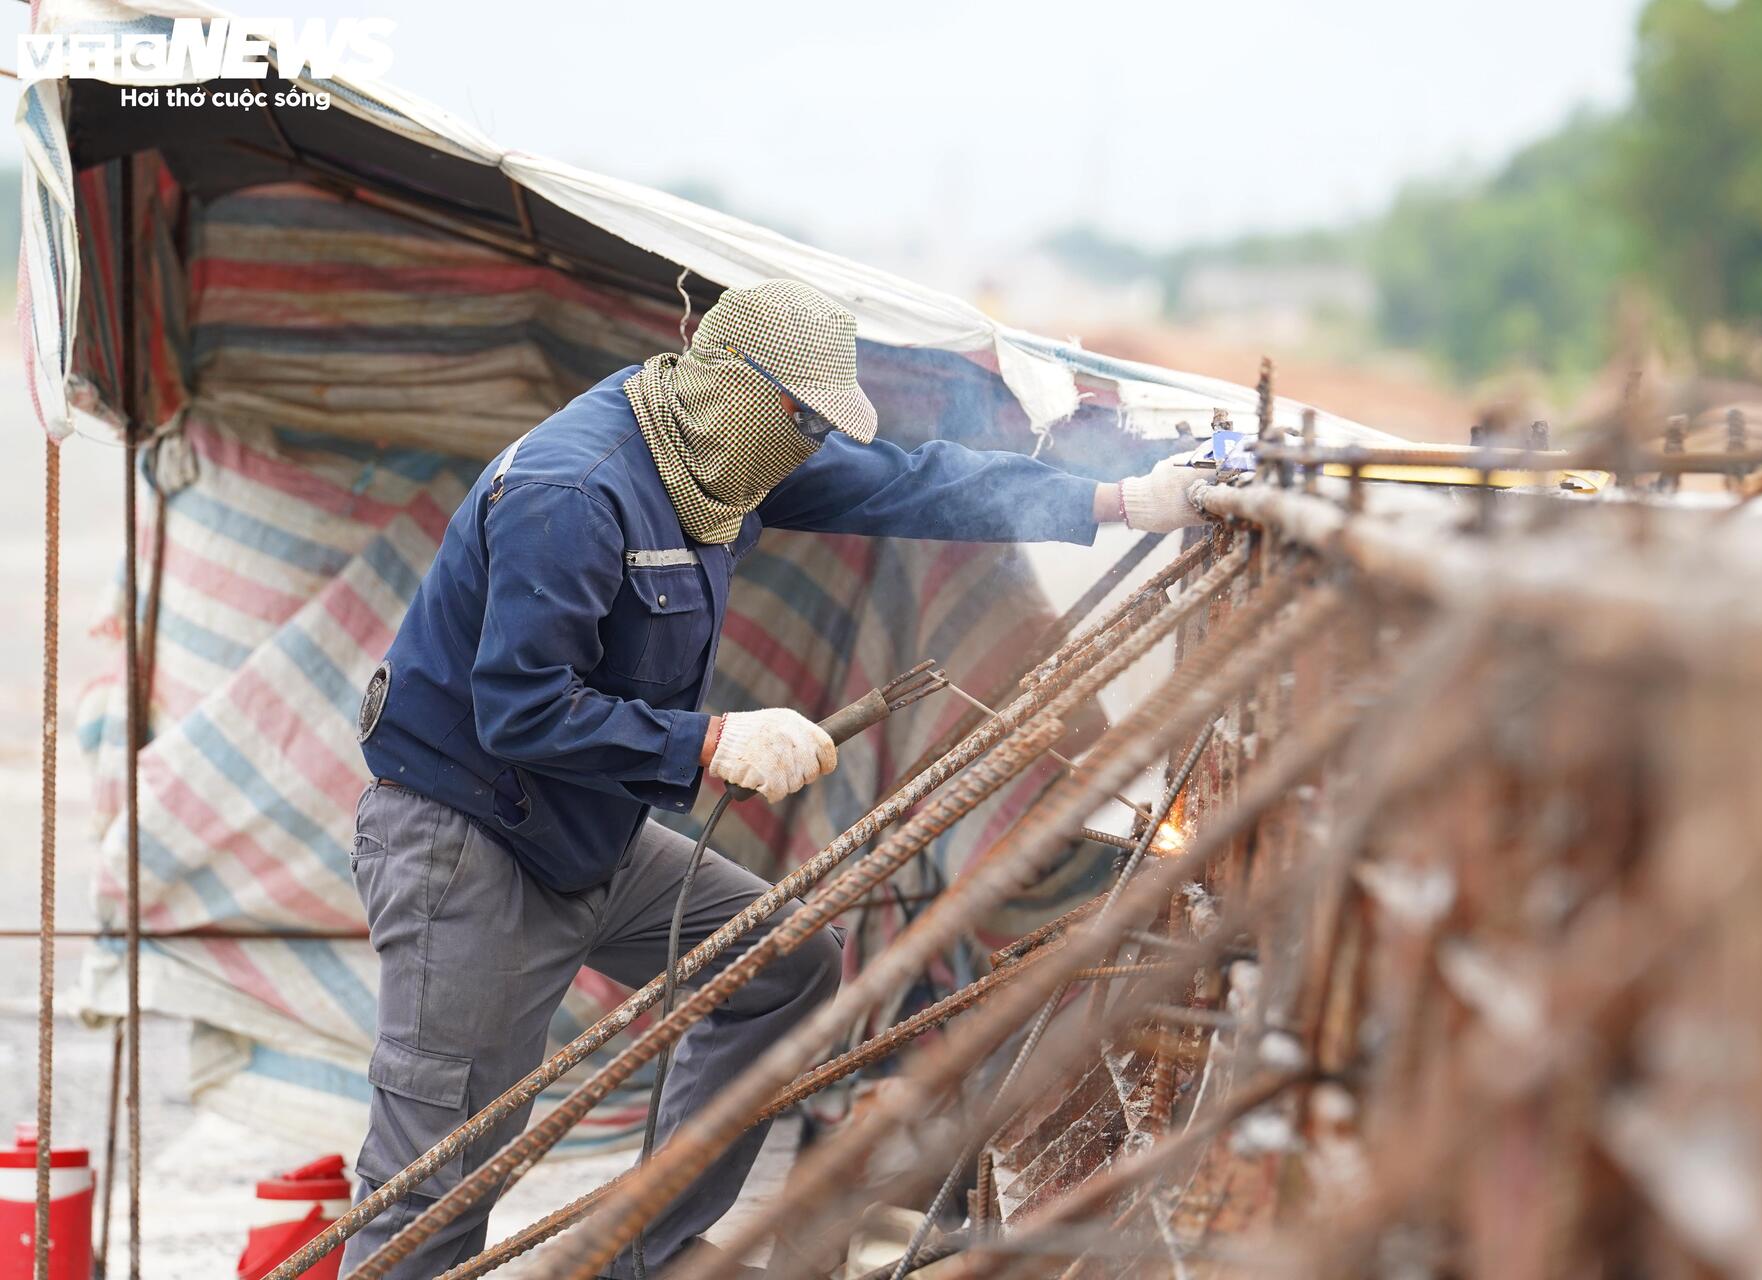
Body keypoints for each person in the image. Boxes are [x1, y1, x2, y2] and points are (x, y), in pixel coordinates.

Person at [346, 279, 1206, 1277]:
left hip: (583, 828)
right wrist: (707, 742)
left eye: (817, 427)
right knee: (445, 1173)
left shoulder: (719, 451)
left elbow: (904, 483)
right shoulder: (573, 491)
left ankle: (643, 1250)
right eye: (800, 420)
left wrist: (1116, 501)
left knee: (785, 964)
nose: (808, 447)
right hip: (471, 839)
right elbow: (519, 710)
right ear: (732, 383)